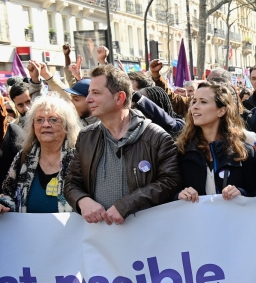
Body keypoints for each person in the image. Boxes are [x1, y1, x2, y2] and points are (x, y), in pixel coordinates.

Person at [175, 81, 256, 283]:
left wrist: (244, 194)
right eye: (193, 101)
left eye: (203, 102)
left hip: (232, 248)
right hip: (197, 249)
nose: (194, 107)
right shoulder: (180, 151)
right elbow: (170, 189)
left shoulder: (243, 150)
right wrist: (180, 194)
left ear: (221, 110)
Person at [64, 64, 181, 225]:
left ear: (119, 98)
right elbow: (72, 182)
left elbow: (170, 182)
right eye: (89, 92)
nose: (88, 98)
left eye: (96, 92)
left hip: (146, 237)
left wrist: (127, 205)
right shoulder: (86, 137)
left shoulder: (156, 137)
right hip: (99, 238)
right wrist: (82, 201)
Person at [0, 95, 80, 213]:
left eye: (53, 119)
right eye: (39, 120)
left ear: (67, 125)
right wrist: (3, 205)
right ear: (33, 126)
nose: (45, 125)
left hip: (72, 231)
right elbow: (8, 194)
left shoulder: (79, 158)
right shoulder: (23, 157)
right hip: (30, 230)